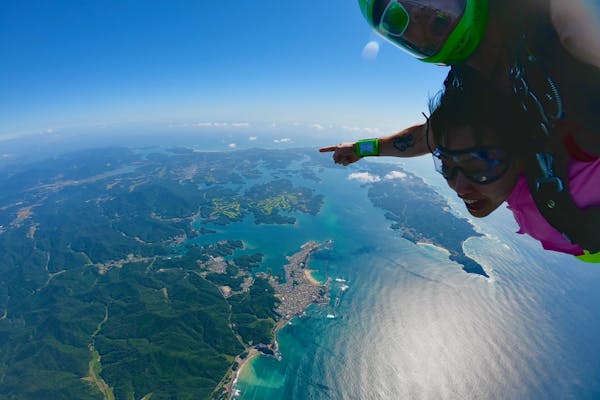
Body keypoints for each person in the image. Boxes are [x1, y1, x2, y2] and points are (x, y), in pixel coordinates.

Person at [321, 0, 600, 258]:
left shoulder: (554, 26)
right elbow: (426, 138)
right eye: (396, 21)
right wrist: (360, 149)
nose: (416, 19)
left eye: (425, 2)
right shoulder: (467, 87)